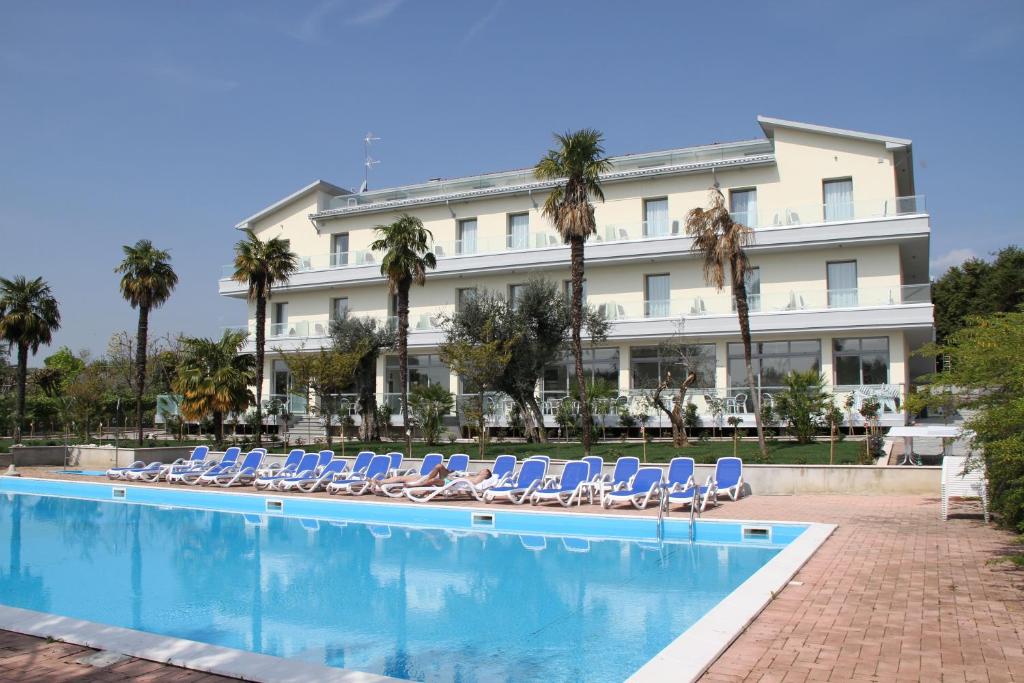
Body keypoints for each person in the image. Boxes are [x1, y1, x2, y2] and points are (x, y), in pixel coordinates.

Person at [373, 464, 492, 492]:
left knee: (434, 480)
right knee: (439, 466)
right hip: (451, 478)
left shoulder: (480, 479)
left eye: (484, 470)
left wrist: (461, 477)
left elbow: (472, 484)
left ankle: (415, 485)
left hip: (452, 483)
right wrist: (456, 473)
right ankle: (381, 481)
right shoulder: (475, 474)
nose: (482, 469)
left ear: (486, 474)